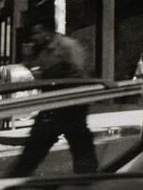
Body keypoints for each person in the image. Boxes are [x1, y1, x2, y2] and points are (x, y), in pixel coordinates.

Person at [10, 26, 98, 178]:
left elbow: (81, 73)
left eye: (38, 33)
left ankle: (89, 180)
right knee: (35, 147)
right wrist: (28, 58)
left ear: (47, 31)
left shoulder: (67, 46)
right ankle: (15, 180)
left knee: (80, 146)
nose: (35, 37)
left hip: (72, 104)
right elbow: (37, 75)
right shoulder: (42, 51)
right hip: (53, 104)